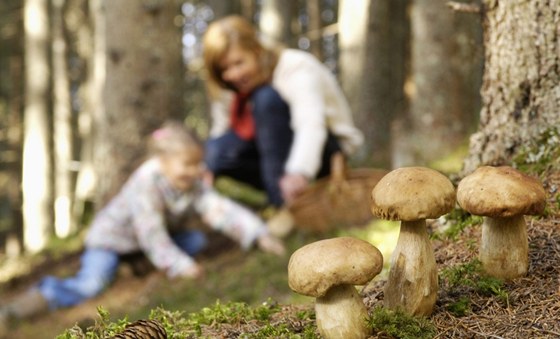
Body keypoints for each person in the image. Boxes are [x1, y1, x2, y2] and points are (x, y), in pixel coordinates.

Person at [0, 121, 285, 332]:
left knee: (195, 241)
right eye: (187, 164)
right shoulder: (146, 182)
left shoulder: (192, 182)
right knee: (92, 284)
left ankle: (137, 265)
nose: (195, 171)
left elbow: (218, 208)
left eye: (198, 164)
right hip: (111, 241)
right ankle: (27, 304)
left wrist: (258, 234)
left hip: (143, 244)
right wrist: (180, 266)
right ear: (162, 161)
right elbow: (152, 233)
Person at [202, 15, 364, 207]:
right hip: (270, 154)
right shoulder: (231, 88)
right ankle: (279, 196)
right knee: (214, 149)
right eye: (224, 69)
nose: (233, 74)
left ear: (256, 51)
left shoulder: (295, 66)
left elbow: (310, 124)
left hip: (323, 151)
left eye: (239, 63)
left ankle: (283, 203)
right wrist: (206, 166)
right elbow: (223, 132)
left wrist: (300, 171)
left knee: (266, 99)